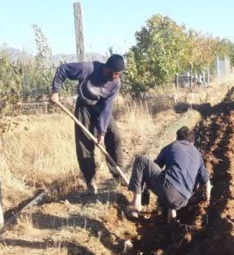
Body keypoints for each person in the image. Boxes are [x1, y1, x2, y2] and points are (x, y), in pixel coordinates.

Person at [50, 54, 126, 194]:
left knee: (114, 136)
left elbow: (107, 108)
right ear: (107, 69)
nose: (117, 77)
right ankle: (90, 181)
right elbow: (63, 69)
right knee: (84, 143)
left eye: (119, 74)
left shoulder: (116, 83)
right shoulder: (88, 69)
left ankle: (118, 175)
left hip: (101, 107)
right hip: (84, 106)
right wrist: (55, 91)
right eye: (115, 74)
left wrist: (101, 133)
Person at [125, 126, 211, 222]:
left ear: (177, 138)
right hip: (184, 199)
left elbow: (152, 169)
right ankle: (171, 226)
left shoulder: (171, 146)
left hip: (168, 189)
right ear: (192, 142)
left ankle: (136, 204)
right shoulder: (198, 155)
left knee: (140, 160)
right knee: (173, 197)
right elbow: (206, 182)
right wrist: (206, 201)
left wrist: (146, 190)